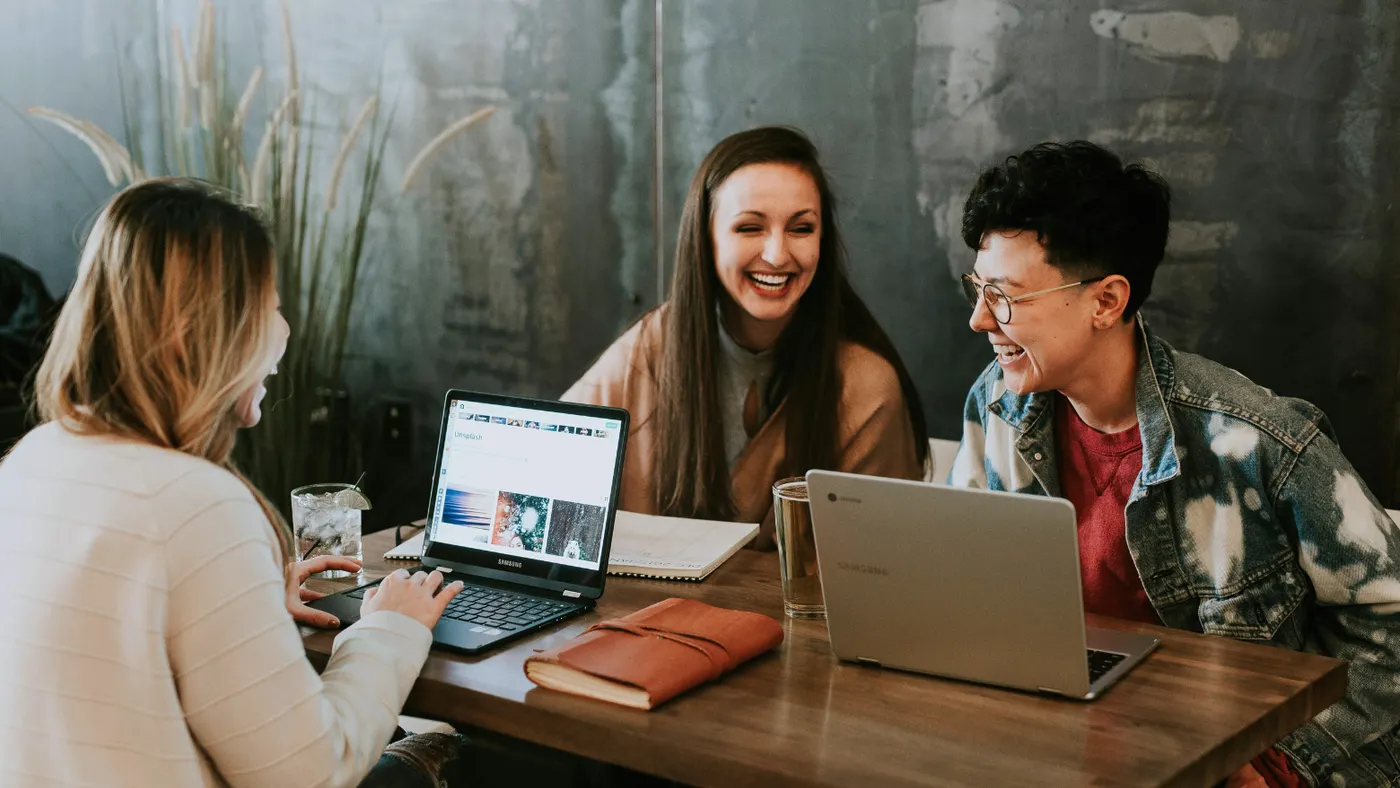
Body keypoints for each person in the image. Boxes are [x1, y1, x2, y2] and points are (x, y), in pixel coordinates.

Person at [947, 141, 1400, 787]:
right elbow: (958, 587)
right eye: (976, 288)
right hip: (1051, 740)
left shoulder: (1257, 441)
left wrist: (1279, 764)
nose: (978, 318)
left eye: (1003, 295)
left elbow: (1390, 625)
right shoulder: (995, 404)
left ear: (1106, 301)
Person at [0, 178, 480, 787]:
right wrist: (392, 627)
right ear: (192, 332)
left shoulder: (32, 459)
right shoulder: (196, 504)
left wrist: (245, 609)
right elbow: (311, 774)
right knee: (447, 750)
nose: (282, 333)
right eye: (268, 307)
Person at [565, 126, 928, 545]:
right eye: (750, 228)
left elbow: (881, 567)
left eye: (802, 228)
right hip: (645, 610)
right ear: (707, 239)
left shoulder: (866, 387)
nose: (777, 254)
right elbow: (544, 468)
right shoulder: (651, 347)